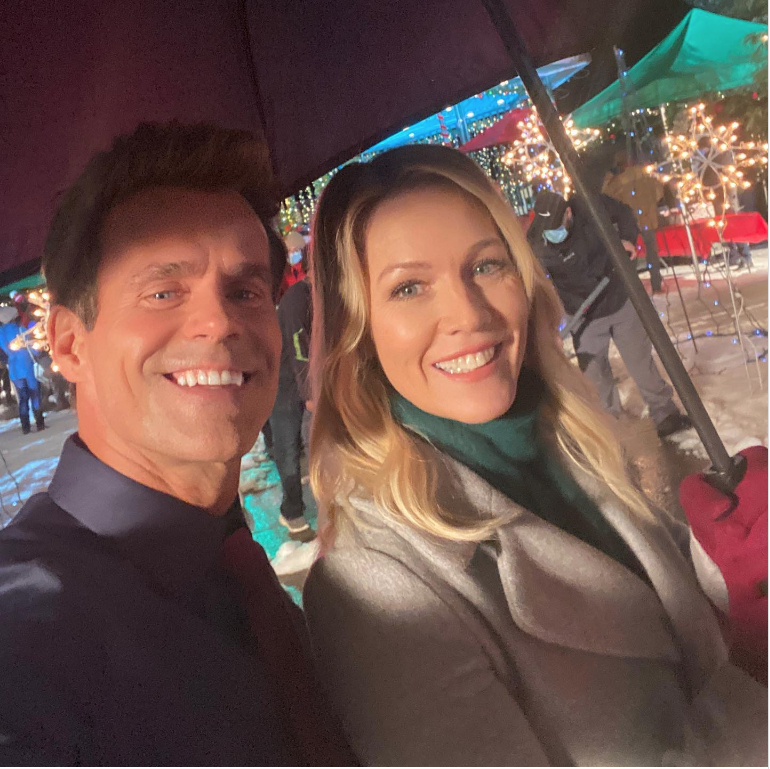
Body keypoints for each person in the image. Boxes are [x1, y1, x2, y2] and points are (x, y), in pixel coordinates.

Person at [302, 144, 767, 766]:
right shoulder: (374, 585)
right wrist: (756, 664)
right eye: (409, 287)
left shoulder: (576, 444)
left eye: (486, 265)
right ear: (359, 333)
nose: (469, 314)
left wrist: (728, 559)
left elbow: (677, 633)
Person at [0, 122, 353, 766]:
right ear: (70, 344)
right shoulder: (33, 634)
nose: (220, 322)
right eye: (163, 292)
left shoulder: (235, 561)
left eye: (245, 291)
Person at [527, 189, 692, 439]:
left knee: (640, 361)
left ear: (568, 213)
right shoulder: (537, 245)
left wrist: (626, 239)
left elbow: (624, 213)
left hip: (617, 297)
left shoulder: (589, 206)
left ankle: (665, 414)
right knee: (595, 376)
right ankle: (611, 429)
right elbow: (535, 285)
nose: (553, 233)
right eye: (548, 229)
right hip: (583, 315)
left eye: (557, 226)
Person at [268, 234, 315, 541]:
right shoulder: (299, 297)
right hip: (285, 384)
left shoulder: (319, 296)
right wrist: (310, 393)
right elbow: (300, 347)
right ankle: (292, 510)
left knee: (306, 444)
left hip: (304, 380)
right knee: (287, 448)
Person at [602, 150, 666, 292]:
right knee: (652, 253)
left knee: (631, 254)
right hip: (648, 218)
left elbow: (609, 197)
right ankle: (656, 283)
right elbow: (659, 192)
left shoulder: (619, 180)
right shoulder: (648, 175)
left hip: (631, 220)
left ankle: (634, 289)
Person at [0, 291, 45, 433]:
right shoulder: (21, 329)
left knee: (23, 398)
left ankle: (25, 426)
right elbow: (32, 347)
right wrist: (38, 353)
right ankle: (39, 423)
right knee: (35, 394)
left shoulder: (1, 333)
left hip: (14, 370)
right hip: (27, 366)